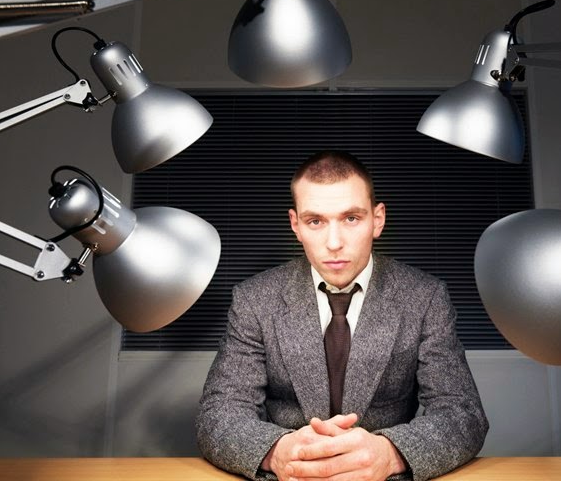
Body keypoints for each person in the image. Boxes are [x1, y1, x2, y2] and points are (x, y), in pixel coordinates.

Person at [196, 151, 488, 481]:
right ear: (296, 225)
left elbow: (463, 414)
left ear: (377, 219)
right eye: (315, 221)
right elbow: (218, 413)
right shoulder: (253, 300)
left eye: (351, 218)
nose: (334, 243)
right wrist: (278, 452)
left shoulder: (425, 297)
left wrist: (389, 455)